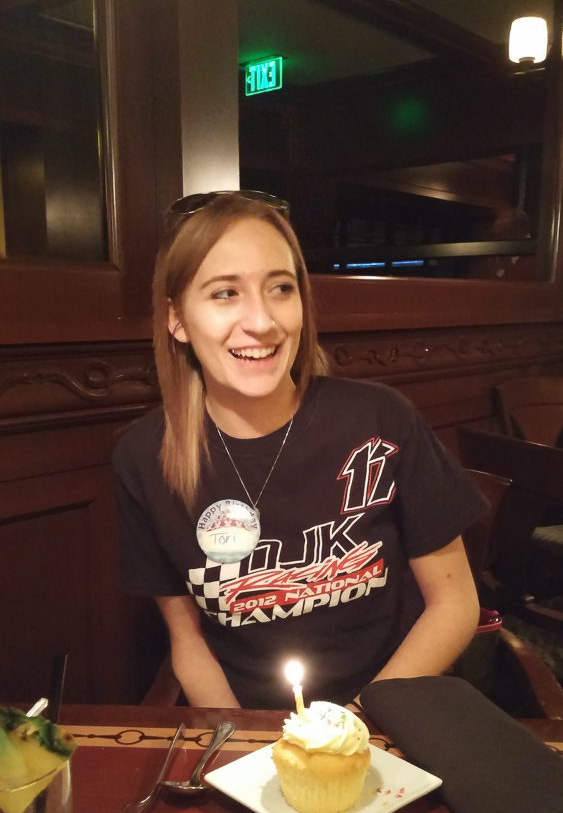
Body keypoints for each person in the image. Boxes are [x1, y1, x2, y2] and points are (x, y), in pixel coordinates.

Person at [113, 191, 487, 710]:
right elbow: (189, 642)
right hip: (252, 727)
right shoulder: (142, 458)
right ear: (177, 318)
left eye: (281, 288)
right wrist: (244, 742)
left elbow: (454, 604)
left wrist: (353, 725)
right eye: (225, 293)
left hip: (391, 709)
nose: (262, 321)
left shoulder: (380, 419)